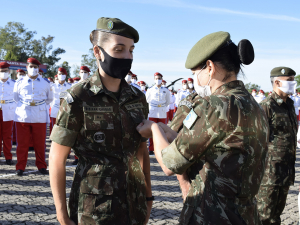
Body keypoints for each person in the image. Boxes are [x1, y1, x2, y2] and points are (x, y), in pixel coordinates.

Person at [137, 31, 269, 224]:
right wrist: (171, 133)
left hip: (212, 215)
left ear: (209, 67)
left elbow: (168, 165)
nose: (195, 80)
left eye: (195, 74)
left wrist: (155, 129)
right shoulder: (253, 104)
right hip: (244, 215)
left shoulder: (213, 106)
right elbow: (217, 144)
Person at [49, 17, 152, 225]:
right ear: (98, 52)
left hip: (134, 203)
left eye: (131, 51)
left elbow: (141, 151)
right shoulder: (78, 97)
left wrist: (148, 195)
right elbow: (57, 159)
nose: (126, 56)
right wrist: (61, 214)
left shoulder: (137, 98)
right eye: (119, 49)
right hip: (94, 208)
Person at [256, 67, 298, 225]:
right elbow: (257, 140)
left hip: (286, 171)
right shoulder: (267, 106)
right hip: (269, 174)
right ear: (277, 82)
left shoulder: (289, 105)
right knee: (264, 216)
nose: (293, 84)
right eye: (290, 80)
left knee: (276, 216)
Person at [13, 57, 53, 176]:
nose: (33, 69)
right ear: (27, 68)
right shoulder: (19, 82)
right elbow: (16, 98)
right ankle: (20, 167)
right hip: (22, 116)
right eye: (31, 67)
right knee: (22, 144)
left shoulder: (46, 83)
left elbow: (49, 99)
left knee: (40, 143)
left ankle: (41, 166)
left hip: (39, 116)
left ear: (38, 68)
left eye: (35, 67)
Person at [146, 72, 170, 155]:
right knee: (152, 131)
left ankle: (162, 148)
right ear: (154, 79)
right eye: (156, 78)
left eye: (159, 78)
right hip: (152, 112)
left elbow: (168, 102)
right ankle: (151, 148)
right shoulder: (150, 89)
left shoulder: (165, 90)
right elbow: (147, 100)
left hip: (162, 112)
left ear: (162, 79)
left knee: (162, 130)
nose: (158, 80)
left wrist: (161, 106)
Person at [0, 62, 16, 165]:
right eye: (1, 71)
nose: (3, 73)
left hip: (8, 111)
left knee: (7, 135)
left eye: (5, 71)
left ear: (9, 72)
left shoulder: (14, 84)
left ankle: (8, 157)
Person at [49, 67, 71, 135]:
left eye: (63, 74)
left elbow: (70, 99)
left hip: (65, 109)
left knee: (64, 126)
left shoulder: (69, 86)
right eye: (59, 74)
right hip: (55, 108)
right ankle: (52, 139)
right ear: (57, 75)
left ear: (66, 75)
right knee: (53, 125)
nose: (61, 75)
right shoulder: (52, 86)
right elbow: (49, 98)